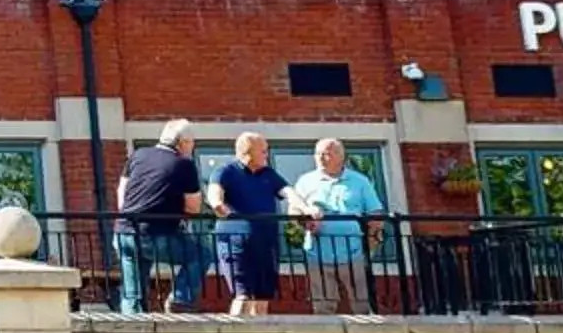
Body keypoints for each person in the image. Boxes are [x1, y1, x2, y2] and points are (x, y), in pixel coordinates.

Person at [116, 119, 205, 313]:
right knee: (201, 253)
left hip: (125, 230)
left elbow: (122, 196)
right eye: (192, 143)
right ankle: (180, 299)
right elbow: (194, 207)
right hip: (159, 232)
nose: (192, 148)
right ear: (182, 142)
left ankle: (132, 324)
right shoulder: (184, 164)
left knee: (133, 292)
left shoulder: (138, 155)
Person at [289, 138, 387, 316]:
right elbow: (293, 211)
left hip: (353, 252)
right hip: (317, 253)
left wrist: (372, 241)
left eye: (326, 153)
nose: (320, 158)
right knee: (323, 308)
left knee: (361, 304)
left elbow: (376, 212)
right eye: (317, 153)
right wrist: (305, 220)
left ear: (341, 156)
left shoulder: (359, 181)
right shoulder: (306, 181)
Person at [209, 132, 289, 317]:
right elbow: (214, 194)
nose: (266, 155)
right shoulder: (226, 171)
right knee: (242, 294)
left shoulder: (268, 174)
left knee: (262, 296)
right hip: (235, 241)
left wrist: (304, 207)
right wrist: (218, 205)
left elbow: (288, 192)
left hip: (266, 242)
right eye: (263, 151)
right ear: (247, 153)